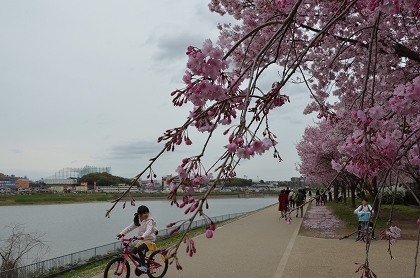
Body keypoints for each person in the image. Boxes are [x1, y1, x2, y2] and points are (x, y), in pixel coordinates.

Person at [116, 205, 157, 273]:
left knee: (139, 249)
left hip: (149, 239)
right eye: (144, 213)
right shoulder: (138, 220)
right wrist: (122, 233)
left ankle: (144, 266)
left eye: (147, 212)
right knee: (132, 254)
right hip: (142, 240)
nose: (146, 214)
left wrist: (142, 236)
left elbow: (149, 230)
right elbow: (130, 227)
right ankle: (143, 263)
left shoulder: (149, 220)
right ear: (139, 214)